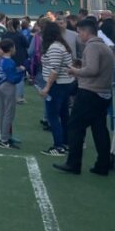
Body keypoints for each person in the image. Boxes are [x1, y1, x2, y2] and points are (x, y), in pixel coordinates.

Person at [54, 18, 115, 176]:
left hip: (90, 92)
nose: (78, 34)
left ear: (87, 31)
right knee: (99, 128)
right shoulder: (104, 46)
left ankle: (73, 163)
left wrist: (75, 71)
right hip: (103, 93)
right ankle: (103, 164)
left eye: (80, 31)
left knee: (75, 127)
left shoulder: (92, 47)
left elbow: (93, 70)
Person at [38, 22, 75, 157]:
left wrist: (47, 87)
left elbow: (55, 69)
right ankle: (65, 143)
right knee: (64, 115)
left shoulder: (54, 47)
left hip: (57, 85)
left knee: (53, 116)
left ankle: (58, 146)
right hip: (65, 84)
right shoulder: (60, 45)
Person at [0, 39, 23, 149]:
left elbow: (0, 71)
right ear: (11, 48)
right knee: (8, 113)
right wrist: (21, 71)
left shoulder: (2, 60)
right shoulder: (10, 61)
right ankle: (4, 140)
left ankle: (3, 136)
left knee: (3, 113)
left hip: (1, 86)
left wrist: (16, 70)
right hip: (8, 87)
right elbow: (13, 79)